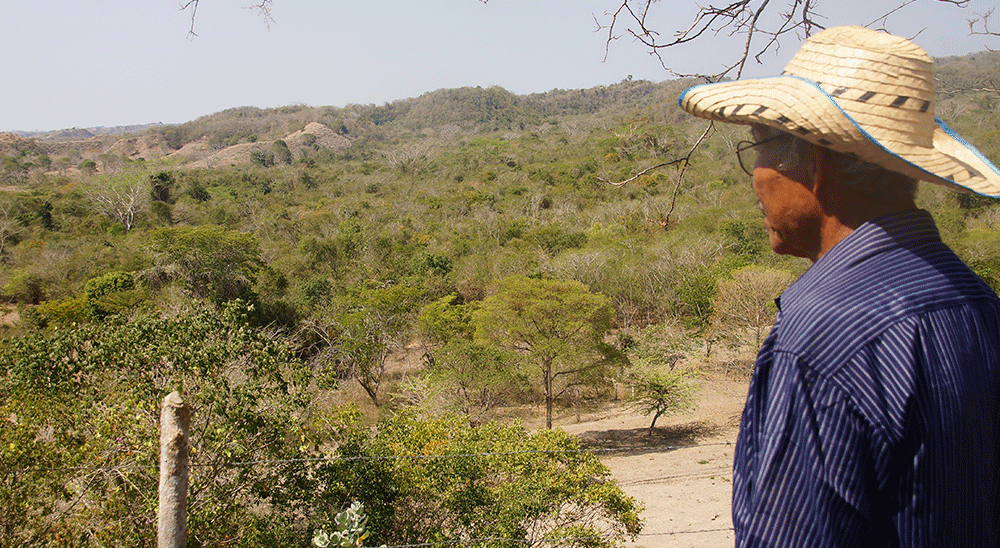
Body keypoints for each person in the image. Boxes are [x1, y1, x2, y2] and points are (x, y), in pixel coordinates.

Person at [678, 26, 1000, 546]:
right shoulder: (975, 301)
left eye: (758, 151)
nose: (755, 176)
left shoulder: (824, 333)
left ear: (815, 163)